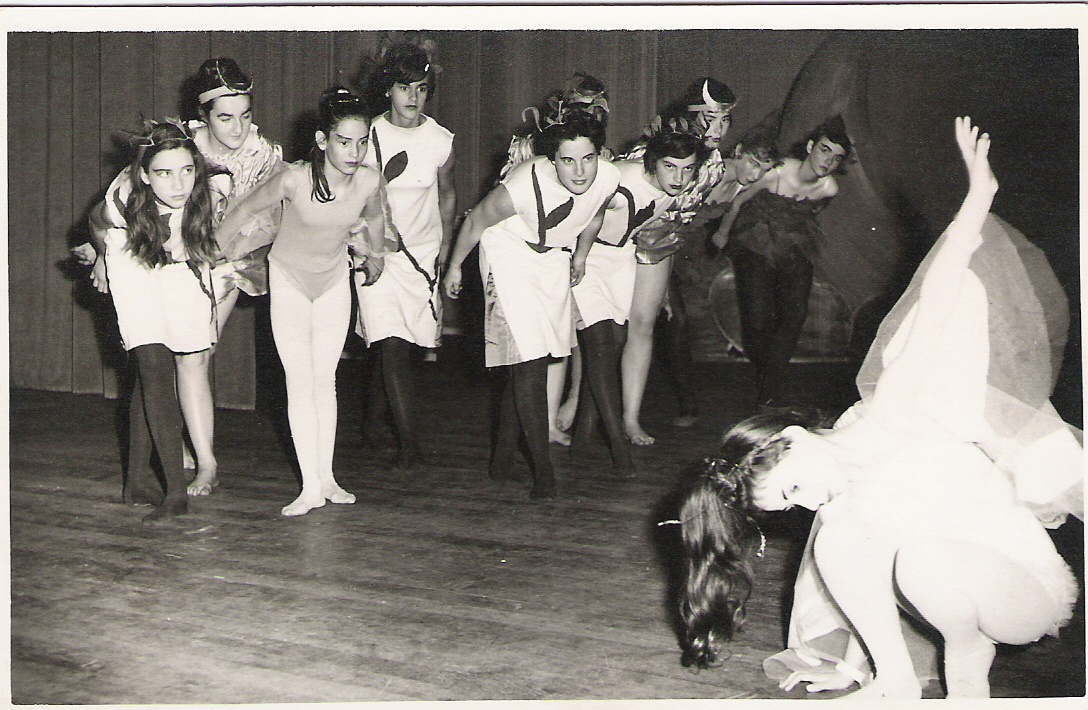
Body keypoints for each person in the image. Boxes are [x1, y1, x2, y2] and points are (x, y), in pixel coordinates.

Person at [671, 117, 1082, 699]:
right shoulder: (837, 477)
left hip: (1017, 587)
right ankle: (900, 682)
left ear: (796, 438)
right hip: (951, 586)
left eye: (791, 491)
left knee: (914, 559)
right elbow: (846, 579)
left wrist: (978, 201)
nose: (806, 504)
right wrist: (848, 660)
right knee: (840, 541)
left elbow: (939, 296)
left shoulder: (888, 412)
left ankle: (959, 663)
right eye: (790, 505)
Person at [77, 57, 284, 497]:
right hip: (160, 259)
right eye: (226, 118)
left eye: (246, 115)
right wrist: (102, 257)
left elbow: (269, 215)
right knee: (158, 357)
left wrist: (222, 251)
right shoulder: (176, 148)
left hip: (223, 260)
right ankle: (171, 443)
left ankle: (205, 461)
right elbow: (118, 206)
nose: (239, 127)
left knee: (195, 355)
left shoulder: (263, 154)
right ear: (203, 116)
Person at [215, 87, 397, 517]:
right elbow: (242, 210)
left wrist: (372, 254)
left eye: (362, 141)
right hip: (290, 280)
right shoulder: (294, 179)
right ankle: (310, 486)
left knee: (325, 380)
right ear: (321, 141)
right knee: (300, 382)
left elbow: (374, 216)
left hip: (334, 280)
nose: (354, 152)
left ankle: (328, 478)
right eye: (343, 141)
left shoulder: (371, 178)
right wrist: (213, 252)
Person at [443, 107, 620, 499]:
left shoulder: (609, 176)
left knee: (534, 358)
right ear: (551, 159)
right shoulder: (523, 185)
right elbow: (475, 222)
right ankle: (543, 470)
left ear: (599, 156)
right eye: (568, 161)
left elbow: (593, 216)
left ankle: (503, 458)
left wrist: (580, 256)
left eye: (588, 159)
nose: (579, 171)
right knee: (529, 361)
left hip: (552, 256)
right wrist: (455, 268)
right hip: (509, 254)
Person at [87, 119, 226, 524]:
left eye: (186, 170)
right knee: (153, 365)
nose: (178, 183)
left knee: (154, 375)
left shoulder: (213, 189)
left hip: (179, 269)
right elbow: (97, 223)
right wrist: (100, 257)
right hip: (131, 259)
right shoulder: (123, 197)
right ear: (145, 175)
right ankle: (175, 493)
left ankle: (135, 483)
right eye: (164, 173)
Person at [569, 127, 708, 477]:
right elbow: (587, 212)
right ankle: (617, 442)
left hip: (620, 259)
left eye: (688, 168)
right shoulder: (620, 176)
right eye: (670, 166)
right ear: (651, 161)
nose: (679, 177)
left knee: (612, 344)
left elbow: (655, 229)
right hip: (587, 256)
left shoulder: (677, 189)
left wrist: (660, 289)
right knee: (604, 342)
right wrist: (579, 258)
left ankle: (584, 439)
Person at [354, 41, 456, 471]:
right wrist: (371, 244)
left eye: (421, 88)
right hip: (378, 252)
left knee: (400, 343)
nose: (413, 97)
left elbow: (447, 196)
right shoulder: (370, 134)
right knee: (389, 339)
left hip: (423, 254)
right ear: (388, 90)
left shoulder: (440, 140)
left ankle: (372, 424)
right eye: (403, 87)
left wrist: (445, 250)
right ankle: (410, 443)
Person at [618, 77, 736, 445]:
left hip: (656, 249)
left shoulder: (713, 164)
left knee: (644, 326)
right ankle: (574, 405)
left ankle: (630, 418)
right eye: (710, 119)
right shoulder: (652, 153)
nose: (718, 129)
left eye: (725, 120)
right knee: (599, 330)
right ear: (690, 117)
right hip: (615, 246)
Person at [500, 72, 613, 446]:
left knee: (565, 339)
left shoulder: (599, 163)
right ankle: (537, 424)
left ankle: (561, 411)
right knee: (535, 347)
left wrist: (581, 254)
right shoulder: (531, 155)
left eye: (596, 111)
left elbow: (595, 211)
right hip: (526, 251)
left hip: (575, 251)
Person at [718, 116, 851, 407]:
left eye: (837, 158)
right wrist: (722, 234)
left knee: (795, 313)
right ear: (810, 146)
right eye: (825, 150)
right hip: (756, 237)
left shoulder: (828, 189)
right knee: (758, 316)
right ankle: (764, 372)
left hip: (794, 242)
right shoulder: (777, 172)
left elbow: (810, 214)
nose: (828, 161)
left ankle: (772, 385)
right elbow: (738, 202)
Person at [665, 123, 782, 426]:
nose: (756, 174)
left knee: (678, 321)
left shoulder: (742, 183)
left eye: (764, 168)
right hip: (658, 244)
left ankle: (688, 403)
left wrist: (723, 234)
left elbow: (735, 205)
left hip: (681, 247)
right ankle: (684, 404)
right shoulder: (708, 173)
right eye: (753, 164)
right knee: (674, 320)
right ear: (738, 152)